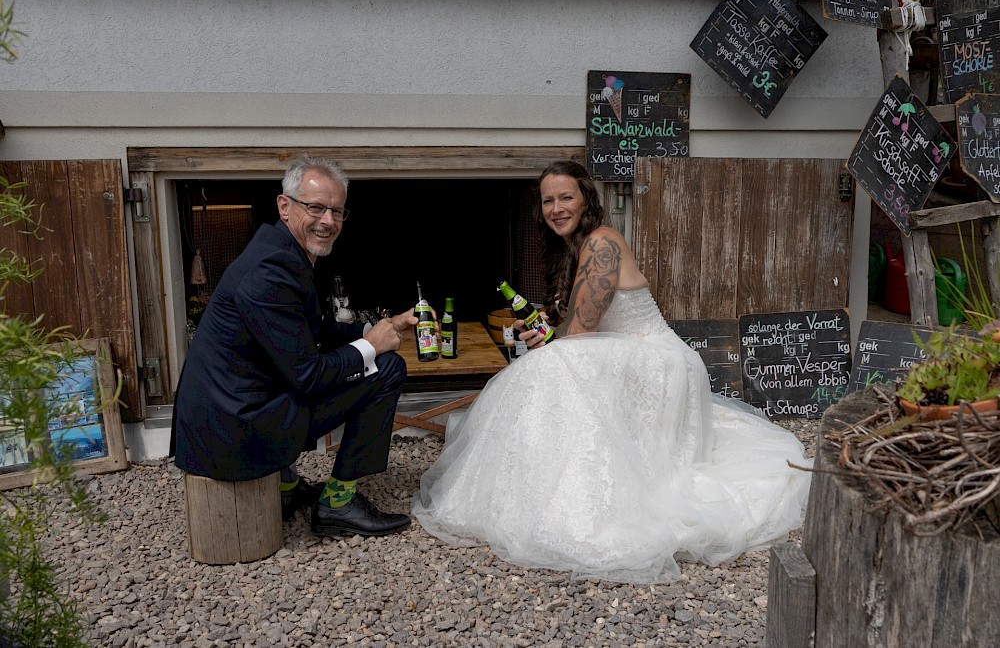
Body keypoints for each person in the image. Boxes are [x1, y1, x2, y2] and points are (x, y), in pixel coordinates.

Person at [411, 160, 812, 583]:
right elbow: (575, 328)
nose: (557, 208)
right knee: (550, 360)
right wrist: (544, 333)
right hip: (626, 354)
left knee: (546, 368)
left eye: (566, 197)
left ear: (587, 199)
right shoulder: (575, 248)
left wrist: (548, 344)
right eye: (548, 200)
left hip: (656, 361)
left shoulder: (602, 242)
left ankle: (568, 488)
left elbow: (580, 333)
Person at [171, 155, 418, 538]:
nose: (328, 221)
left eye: (336, 211)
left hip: (227, 414)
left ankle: (287, 486)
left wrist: (376, 328)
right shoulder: (273, 271)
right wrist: (370, 346)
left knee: (359, 358)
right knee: (386, 369)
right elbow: (307, 375)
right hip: (235, 432)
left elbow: (308, 333)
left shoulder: (278, 250)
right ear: (284, 206)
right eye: (316, 207)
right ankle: (339, 503)